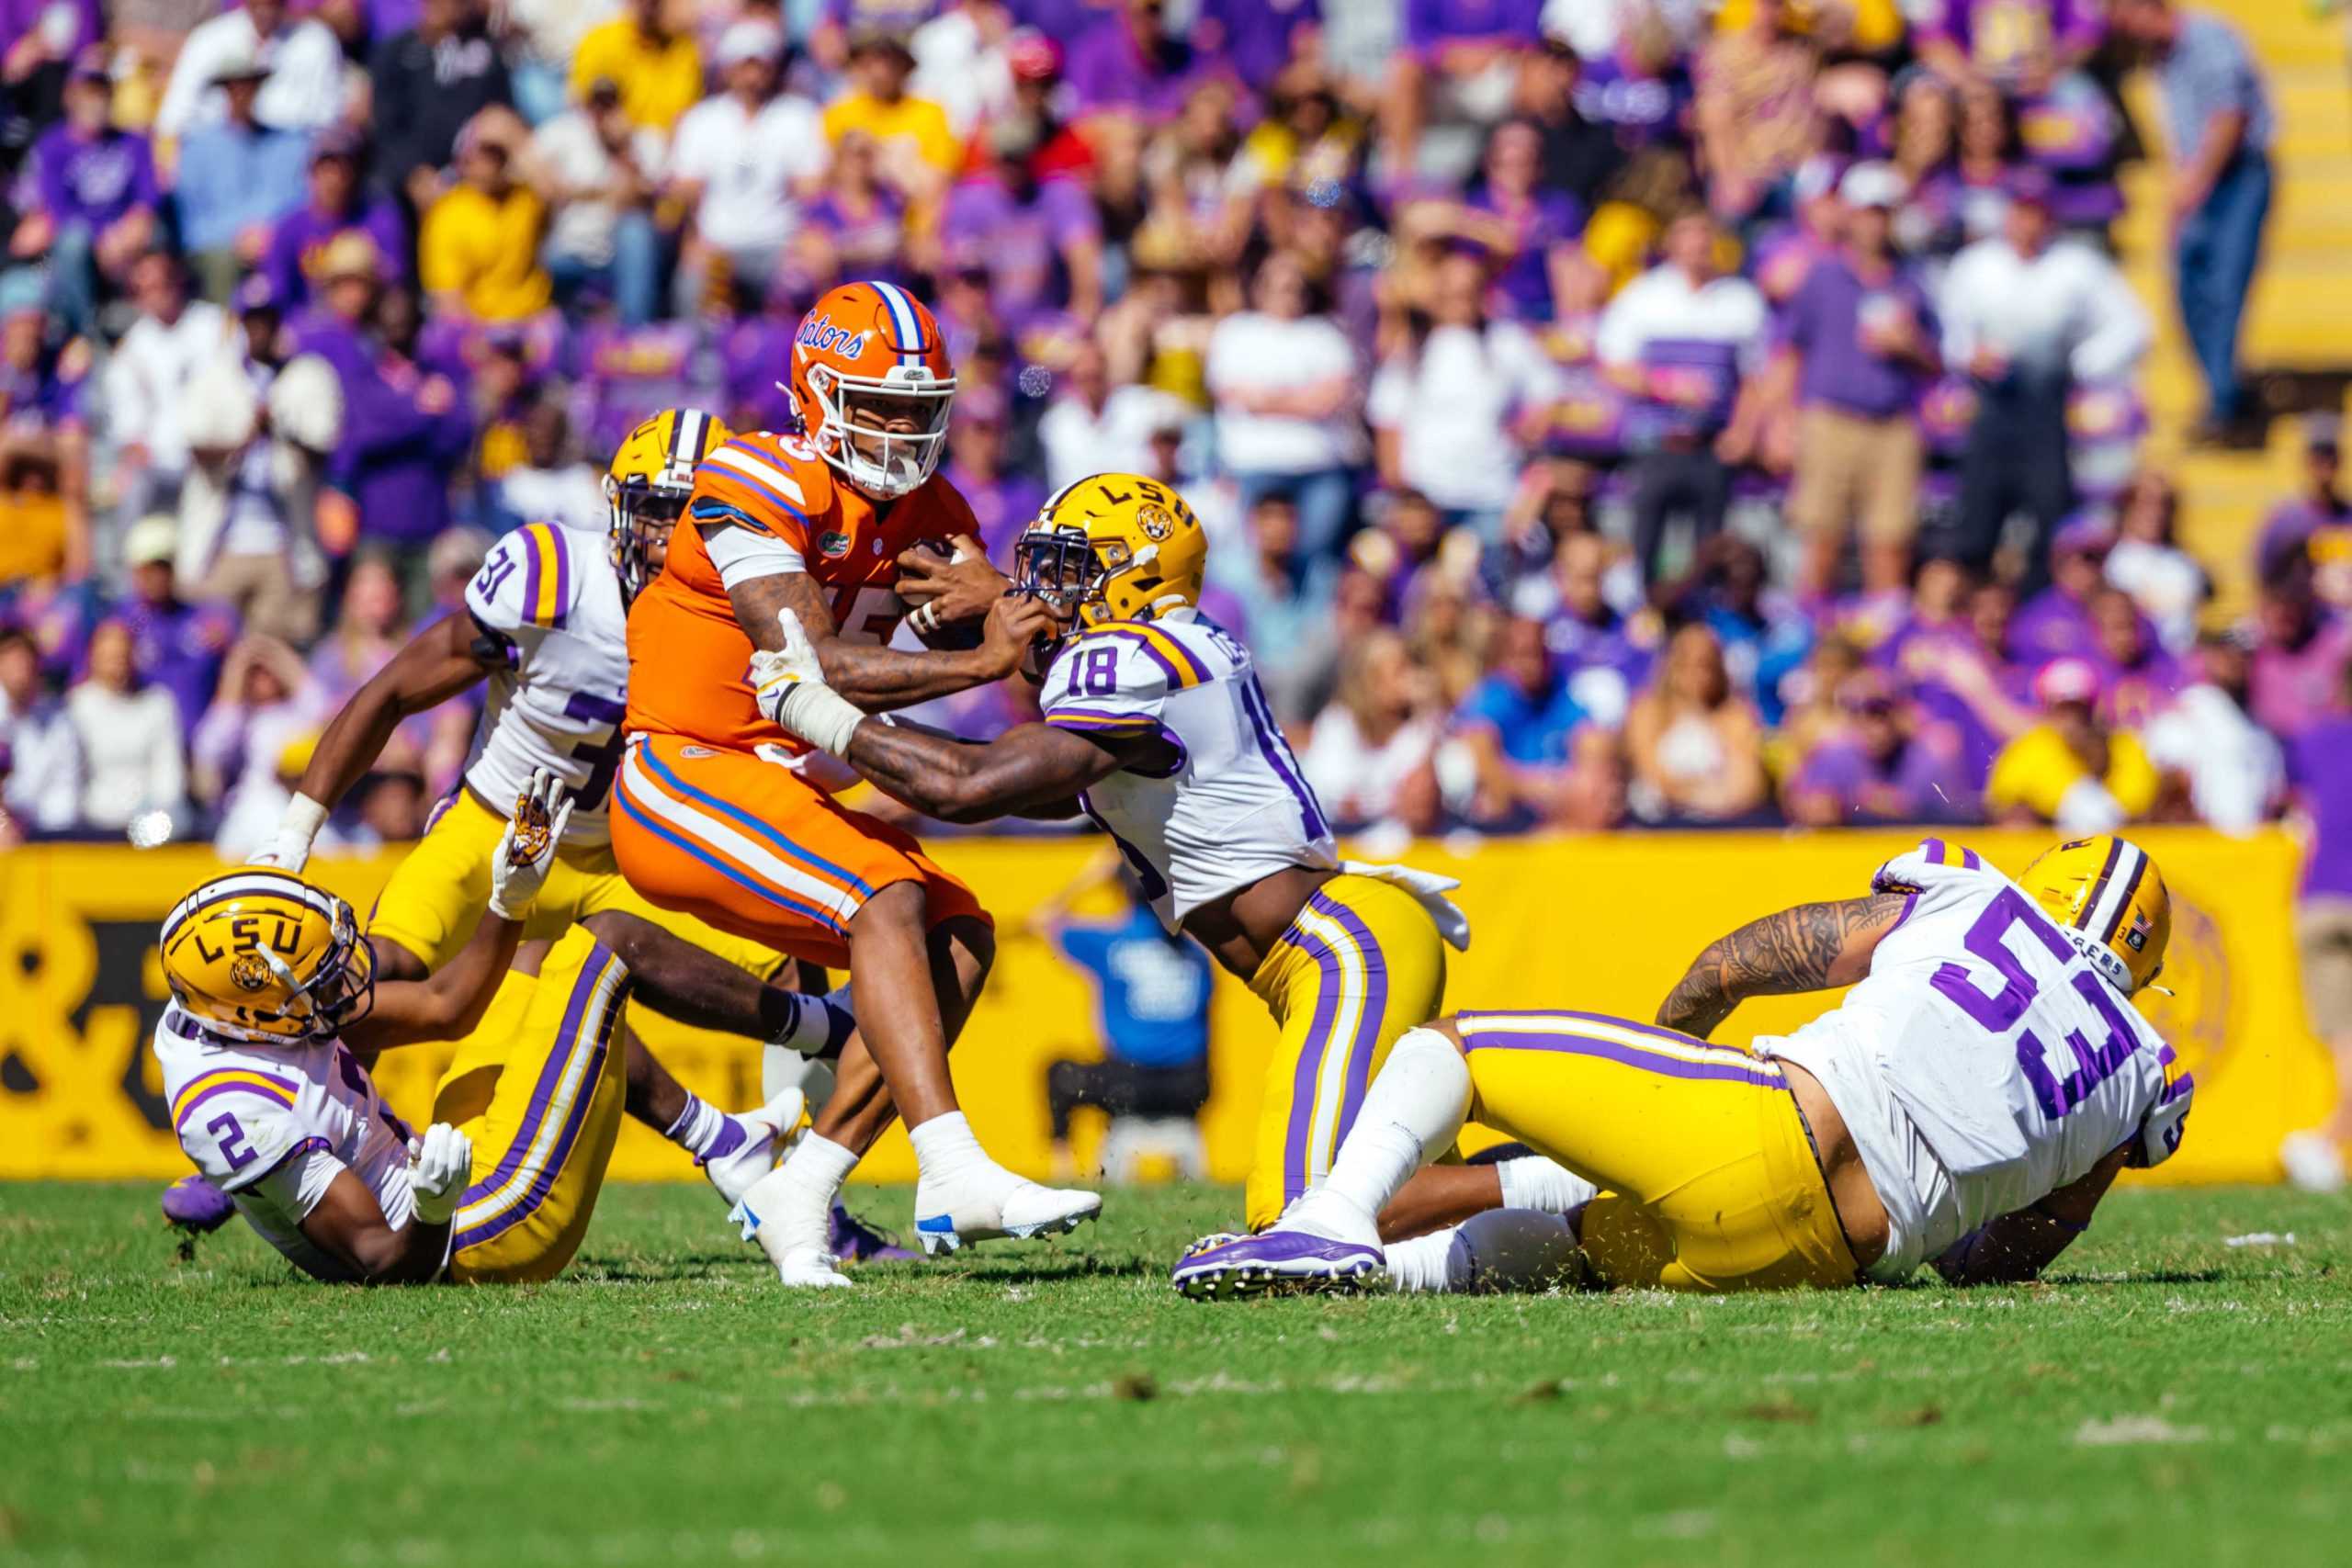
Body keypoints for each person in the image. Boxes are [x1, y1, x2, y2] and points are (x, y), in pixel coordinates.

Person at [744, 470, 1522, 1251]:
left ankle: (1575, 1176)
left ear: (1136, 577)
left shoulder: (1133, 658)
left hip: (1342, 949)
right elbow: (1028, 782)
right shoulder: (1174, 650)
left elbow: (967, 785)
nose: (1047, 590)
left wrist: (816, 708)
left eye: (1071, 570)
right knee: (1405, 1222)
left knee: (1299, 1217)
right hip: (1347, 942)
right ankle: (1579, 1212)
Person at [203, 410, 868, 1252]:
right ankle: (255, 1117)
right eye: (664, 512)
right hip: (496, 825)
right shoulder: (553, 576)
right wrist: (299, 827)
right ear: (621, 511)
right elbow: (393, 691)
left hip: (638, 849)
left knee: (801, 943)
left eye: (704, 513)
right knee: (374, 975)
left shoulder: (752, 608)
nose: (678, 539)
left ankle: (813, 1202)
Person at [613, 281, 1101, 1287]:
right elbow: (812, 662)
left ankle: (806, 1184)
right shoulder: (752, 477)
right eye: (877, 405)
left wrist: (1016, 610)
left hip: (784, 782)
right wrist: (975, 656)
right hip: (683, 769)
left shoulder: (935, 511)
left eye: (918, 410)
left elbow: (1032, 654)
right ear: (815, 393)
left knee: (958, 934)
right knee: (888, 898)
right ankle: (950, 1162)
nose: (900, 429)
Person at [1177, 834, 2192, 1299]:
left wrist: (1673, 1054)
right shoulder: (2136, 1075)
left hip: (1761, 1128)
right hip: (1812, 1265)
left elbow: (1737, 962)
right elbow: (1996, 1258)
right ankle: (1360, 1277)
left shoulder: (1973, 902)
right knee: (1570, 1240)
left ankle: (1329, 1225)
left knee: (1451, 1050)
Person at [155, 777, 768, 1283]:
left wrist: (509, 899)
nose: (341, 979)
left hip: (436, 1175)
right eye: (318, 978)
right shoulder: (234, 1106)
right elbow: (385, 1264)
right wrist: (432, 1205)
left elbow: (446, 1006)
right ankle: (819, 1026)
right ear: (255, 1014)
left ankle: (720, 1139)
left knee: (537, 963)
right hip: (465, 1237)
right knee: (603, 945)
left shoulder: (233, 1009)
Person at [1937, 173, 2149, 587]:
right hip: (1991, 404)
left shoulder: (2076, 266)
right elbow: (1947, 327)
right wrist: (1967, 355)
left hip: (2046, 405)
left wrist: (2081, 364)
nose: (2027, 223)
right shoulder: (1976, 264)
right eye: (2021, 212)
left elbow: (2132, 326)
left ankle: (2039, 604)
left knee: (2048, 512)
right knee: (1978, 518)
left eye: (2036, 213)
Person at [2109, 0, 2272, 446]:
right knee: (2188, 291)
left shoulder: (2207, 37)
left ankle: (2223, 403)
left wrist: (2196, 181)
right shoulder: (2160, 58)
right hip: (2196, 179)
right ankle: (2225, 392)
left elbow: (2229, 118)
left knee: (2222, 288)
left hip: (2236, 177)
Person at [1774, 163, 1939, 603]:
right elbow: (1790, 351)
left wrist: (1910, 345)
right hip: (1830, 419)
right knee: (1821, 541)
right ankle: (1813, 647)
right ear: (1850, 215)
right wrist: (1782, 421)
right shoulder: (1822, 277)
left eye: (1883, 213)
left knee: (1889, 544)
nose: (1875, 223)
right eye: (1868, 212)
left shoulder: (1912, 281)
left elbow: (1935, 363)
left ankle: (1882, 647)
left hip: (1892, 425)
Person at [1595, 209, 1769, 585]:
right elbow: (1612, 366)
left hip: (1711, 444)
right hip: (1657, 443)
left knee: (1708, 549)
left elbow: (1757, 377)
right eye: (1687, 234)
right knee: (1644, 546)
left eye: (1704, 234)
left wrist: (1742, 432)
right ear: (1670, 243)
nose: (1697, 245)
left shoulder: (1739, 300)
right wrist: (1665, 386)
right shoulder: (1642, 298)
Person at [1034, 860, 1215, 1180]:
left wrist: (1090, 877)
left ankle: (1060, 1170)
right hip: (1191, 1088)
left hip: (1127, 1085)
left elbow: (1043, 919)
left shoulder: (1111, 943)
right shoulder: (1197, 952)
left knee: (1058, 1073)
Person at [1204, 250, 1363, 563]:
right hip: (1253, 465)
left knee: (1316, 559)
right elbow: (1233, 394)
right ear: (1259, 289)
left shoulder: (1326, 334)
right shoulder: (1235, 332)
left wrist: (1268, 399)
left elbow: (1331, 399)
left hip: (1319, 466)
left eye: (1295, 287)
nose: (1288, 295)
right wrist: (1301, 400)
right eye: (1279, 286)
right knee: (1250, 561)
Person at [663, 19, 827, 316]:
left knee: (802, 282)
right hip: (719, 246)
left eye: (759, 66)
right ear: (728, 69)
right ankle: (703, 359)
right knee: (694, 285)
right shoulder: (702, 120)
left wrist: (805, 240)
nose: (752, 76)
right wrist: (693, 241)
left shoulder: (798, 116)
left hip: (780, 245)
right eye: (744, 66)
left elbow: (812, 190)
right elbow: (686, 192)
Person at [17, 50, 159, 333]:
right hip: (84, 241)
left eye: (102, 92)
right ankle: (85, 333)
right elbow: (59, 209)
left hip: (126, 238)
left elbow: (149, 196)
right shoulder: (52, 146)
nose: (96, 102)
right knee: (72, 243)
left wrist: (131, 229)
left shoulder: (134, 142)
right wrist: (103, 237)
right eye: (88, 93)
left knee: (158, 232)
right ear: (70, 97)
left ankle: (153, 321)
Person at [2281, 668, 2352, 1191]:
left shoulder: (2316, 739)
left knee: (2346, 1040)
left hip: (2323, 897)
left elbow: (2289, 803)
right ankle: (2326, 1140)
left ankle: (2325, 1142)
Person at [172, 44, 311, 300]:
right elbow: (192, 222)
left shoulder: (291, 144)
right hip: (222, 252)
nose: (242, 93)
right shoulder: (197, 148)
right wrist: (237, 237)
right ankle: (225, 333)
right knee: (222, 265)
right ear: (224, 91)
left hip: (278, 244)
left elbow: (302, 202)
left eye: (249, 84)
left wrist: (273, 235)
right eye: (234, 86)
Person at [530, 76, 666, 327]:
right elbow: (523, 159)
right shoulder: (564, 133)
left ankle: (632, 335)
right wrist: (553, 185)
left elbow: (637, 199)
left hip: (617, 252)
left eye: (610, 103)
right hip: (566, 248)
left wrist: (623, 150)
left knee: (636, 231)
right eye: (596, 104)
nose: (602, 112)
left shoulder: (646, 140)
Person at [1984, 656, 2160, 831]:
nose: (2073, 718)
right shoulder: (2026, 751)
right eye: (2064, 708)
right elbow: (2000, 808)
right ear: (2048, 708)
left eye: (2080, 707)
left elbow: (2138, 807)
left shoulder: (2124, 746)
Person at [1623, 621, 1767, 824]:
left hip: (1722, 826)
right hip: (1659, 826)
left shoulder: (1734, 715)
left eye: (1706, 665)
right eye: (1687, 664)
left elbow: (1749, 785)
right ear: (1672, 664)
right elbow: (1652, 775)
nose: (1697, 675)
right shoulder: (1648, 711)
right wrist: (1697, 795)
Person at [419, 124, 552, 324]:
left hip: (530, 320)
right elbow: (447, 297)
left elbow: (555, 194)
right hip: (477, 325)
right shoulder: (447, 213)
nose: (490, 162)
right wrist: (484, 340)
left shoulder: (525, 198)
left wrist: (516, 140)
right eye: (483, 153)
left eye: (497, 153)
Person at [155, 0, 344, 140]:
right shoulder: (208, 40)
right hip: (218, 159)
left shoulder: (316, 41)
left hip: (291, 162)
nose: (265, 9)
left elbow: (327, 121)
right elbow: (173, 119)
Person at [65, 615, 187, 833]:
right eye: (109, 657)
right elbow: (71, 774)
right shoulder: (76, 705)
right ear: (93, 657)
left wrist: (155, 819)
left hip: (149, 825)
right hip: (92, 823)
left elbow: (169, 775)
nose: (116, 663)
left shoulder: (158, 703)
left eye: (122, 656)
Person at [568, 0, 703, 135]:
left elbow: (685, 116)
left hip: (665, 146)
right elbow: (586, 105)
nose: (652, 7)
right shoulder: (603, 41)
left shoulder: (686, 49)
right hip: (608, 144)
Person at [0, 622, 81, 834]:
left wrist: (37, 832)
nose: (19, 667)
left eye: (25, 659)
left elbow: (65, 787)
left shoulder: (59, 720)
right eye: (11, 659)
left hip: (43, 833)